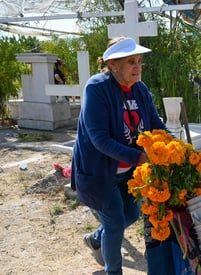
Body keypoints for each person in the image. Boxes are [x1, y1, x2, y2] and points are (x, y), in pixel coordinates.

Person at [71, 37, 190, 275]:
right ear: (113, 64)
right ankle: (112, 271)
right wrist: (140, 157)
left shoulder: (140, 89)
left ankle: (97, 238)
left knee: (132, 213)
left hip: (129, 170)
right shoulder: (96, 88)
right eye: (131, 62)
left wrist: (178, 147)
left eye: (139, 61)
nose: (138, 67)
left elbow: (155, 124)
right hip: (100, 170)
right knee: (115, 221)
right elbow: (99, 139)